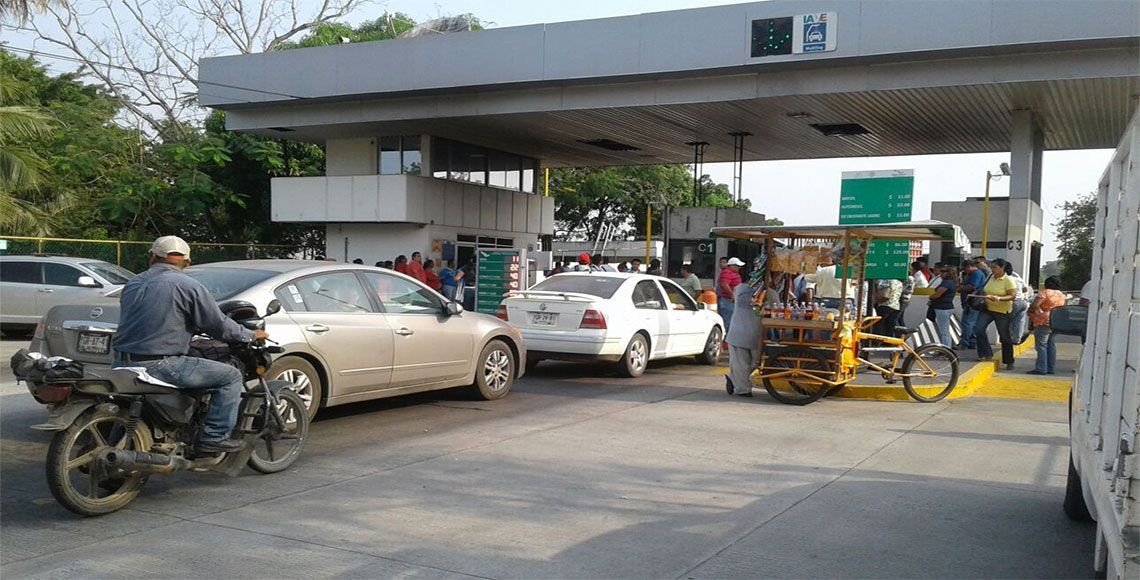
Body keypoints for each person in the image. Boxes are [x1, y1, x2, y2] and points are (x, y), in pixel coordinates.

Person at [111, 236, 266, 454]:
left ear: (152, 257)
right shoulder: (188, 285)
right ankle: (214, 437)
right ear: (187, 262)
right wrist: (249, 334)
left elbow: (153, 318)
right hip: (160, 366)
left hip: (120, 363)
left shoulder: (133, 283)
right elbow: (218, 325)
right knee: (230, 377)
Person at [974, 258, 1018, 370]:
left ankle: (1009, 361)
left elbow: (1012, 295)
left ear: (1002, 268)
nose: (992, 269)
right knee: (979, 328)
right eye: (992, 267)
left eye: (995, 267)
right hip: (987, 308)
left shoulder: (1008, 280)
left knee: (1004, 336)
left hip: (1002, 311)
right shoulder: (990, 277)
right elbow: (985, 290)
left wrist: (999, 298)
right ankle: (985, 353)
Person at [725, 279, 761, 398]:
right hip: (742, 333)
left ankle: (733, 377)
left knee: (749, 364)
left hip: (751, 333)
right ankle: (743, 389)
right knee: (743, 364)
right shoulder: (770, 293)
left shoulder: (738, 289)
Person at [1028, 276, 1067, 375]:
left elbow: (1035, 305)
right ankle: (1050, 368)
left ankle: (1041, 368)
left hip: (1043, 321)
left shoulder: (1044, 293)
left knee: (1041, 345)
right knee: (1051, 345)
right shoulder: (1061, 295)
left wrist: (1036, 312)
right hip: (1056, 321)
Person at [957, 259, 986, 350]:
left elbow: (972, 287)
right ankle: (971, 342)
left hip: (972, 302)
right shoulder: (971, 274)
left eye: (965, 269)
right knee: (972, 323)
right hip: (970, 302)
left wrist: (960, 288)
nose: (964, 271)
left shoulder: (976, 274)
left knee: (967, 323)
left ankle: (964, 343)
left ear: (969, 267)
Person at [929, 265, 958, 347]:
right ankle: (946, 347)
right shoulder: (951, 281)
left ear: (949, 273)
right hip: (946, 307)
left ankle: (946, 349)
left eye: (943, 272)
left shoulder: (947, 282)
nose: (941, 273)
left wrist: (931, 297)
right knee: (944, 330)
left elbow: (938, 294)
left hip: (943, 308)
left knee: (944, 331)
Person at [718, 257, 744, 333]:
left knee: (731, 321)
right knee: (728, 322)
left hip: (732, 300)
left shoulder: (734, 273)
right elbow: (724, 284)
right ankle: (726, 341)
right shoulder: (727, 272)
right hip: (728, 301)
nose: (739, 268)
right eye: (737, 266)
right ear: (732, 266)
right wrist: (732, 295)